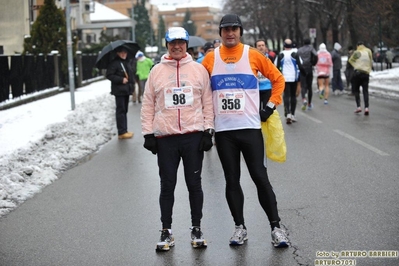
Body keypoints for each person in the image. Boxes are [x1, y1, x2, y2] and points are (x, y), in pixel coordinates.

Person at [202, 14, 289, 248]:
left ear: (240, 31)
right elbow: (199, 89)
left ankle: (276, 228)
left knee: (260, 178)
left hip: (250, 129)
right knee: (232, 180)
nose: (230, 33)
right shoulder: (210, 59)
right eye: (226, 29)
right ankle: (239, 228)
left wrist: (270, 107)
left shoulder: (253, 54)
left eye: (234, 29)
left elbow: (278, 80)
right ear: (220, 33)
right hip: (224, 132)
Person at [141, 26, 214, 251]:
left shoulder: (199, 70)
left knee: (194, 184)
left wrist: (208, 130)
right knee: (167, 186)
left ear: (187, 44)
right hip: (166, 138)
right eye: (172, 43)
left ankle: (196, 228)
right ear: (167, 45)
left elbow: (207, 102)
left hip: (193, 136)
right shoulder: (156, 71)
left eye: (181, 43)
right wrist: (148, 133)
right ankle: (166, 231)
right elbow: (148, 103)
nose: (177, 47)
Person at [106, 46, 135, 139]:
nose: (124, 54)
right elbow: (109, 75)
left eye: (125, 53)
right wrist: (121, 79)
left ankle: (124, 130)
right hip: (119, 90)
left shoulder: (126, 62)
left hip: (126, 90)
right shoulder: (115, 63)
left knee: (124, 110)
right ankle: (121, 132)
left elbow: (131, 75)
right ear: (118, 53)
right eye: (121, 53)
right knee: (121, 110)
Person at [275, 38, 305, 124]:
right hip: (293, 78)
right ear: (291, 45)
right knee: (293, 96)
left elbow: (277, 67)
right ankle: (292, 114)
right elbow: (300, 65)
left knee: (286, 95)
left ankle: (287, 113)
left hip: (284, 78)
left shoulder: (280, 54)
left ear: (284, 45)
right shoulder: (295, 54)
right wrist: (304, 74)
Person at [348, 41, 373, 115]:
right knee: (365, 91)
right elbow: (371, 60)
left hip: (357, 74)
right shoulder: (368, 51)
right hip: (366, 73)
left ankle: (358, 107)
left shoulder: (357, 52)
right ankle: (366, 108)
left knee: (356, 90)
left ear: (357, 46)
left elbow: (350, 60)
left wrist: (356, 65)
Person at [297, 38, 318, 110]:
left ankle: (303, 99)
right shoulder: (311, 48)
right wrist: (314, 63)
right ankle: (309, 103)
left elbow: (297, 57)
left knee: (303, 86)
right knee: (309, 87)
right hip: (309, 68)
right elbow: (316, 55)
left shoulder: (299, 50)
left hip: (302, 68)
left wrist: (299, 65)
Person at [255, 39, 274, 107]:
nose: (261, 47)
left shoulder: (270, 58)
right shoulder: (252, 58)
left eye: (263, 45)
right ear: (256, 48)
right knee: (257, 111)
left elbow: (274, 72)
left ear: (265, 47)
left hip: (268, 87)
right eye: (259, 46)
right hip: (256, 88)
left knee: (267, 110)